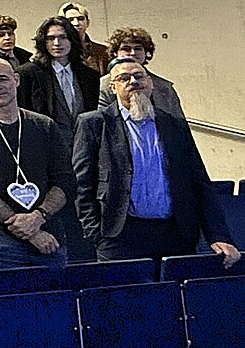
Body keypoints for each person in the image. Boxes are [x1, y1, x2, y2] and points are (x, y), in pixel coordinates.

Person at [74, 59, 238, 265]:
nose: (133, 81)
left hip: (175, 233)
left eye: (138, 76)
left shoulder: (174, 124)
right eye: (124, 78)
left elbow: (199, 182)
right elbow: (82, 185)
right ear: (113, 88)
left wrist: (219, 236)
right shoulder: (94, 123)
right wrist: (96, 235)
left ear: (150, 83)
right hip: (120, 237)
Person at [0, 57, 74, 270]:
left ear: (16, 80)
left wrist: (39, 217)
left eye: (3, 79)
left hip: (51, 238)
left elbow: (64, 180)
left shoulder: (44, 125)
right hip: (0, 243)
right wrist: (32, 232)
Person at [17, 16, 100, 146]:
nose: (56, 43)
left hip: (84, 147)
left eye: (63, 37)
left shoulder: (90, 75)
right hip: (45, 146)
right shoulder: (28, 74)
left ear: (72, 40)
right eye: (50, 38)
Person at [97, 27, 184, 116]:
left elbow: (179, 124)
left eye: (138, 49)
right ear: (115, 53)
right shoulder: (103, 85)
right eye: (126, 49)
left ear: (146, 53)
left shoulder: (164, 87)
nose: (132, 53)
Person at [60, 1, 111, 74]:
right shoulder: (58, 52)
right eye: (70, 19)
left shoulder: (103, 52)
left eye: (80, 18)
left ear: (88, 22)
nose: (76, 23)